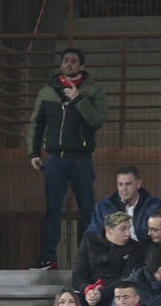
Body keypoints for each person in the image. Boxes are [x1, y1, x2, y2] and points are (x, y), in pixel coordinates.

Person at [29, 47, 108, 270]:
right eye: (66, 60)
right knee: (52, 210)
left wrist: (79, 99)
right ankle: (47, 257)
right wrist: (34, 152)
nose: (69, 64)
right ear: (61, 64)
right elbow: (37, 123)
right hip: (54, 158)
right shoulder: (47, 91)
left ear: (81, 66)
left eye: (74, 61)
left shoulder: (93, 91)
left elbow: (98, 120)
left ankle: (87, 259)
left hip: (82, 159)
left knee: (86, 210)